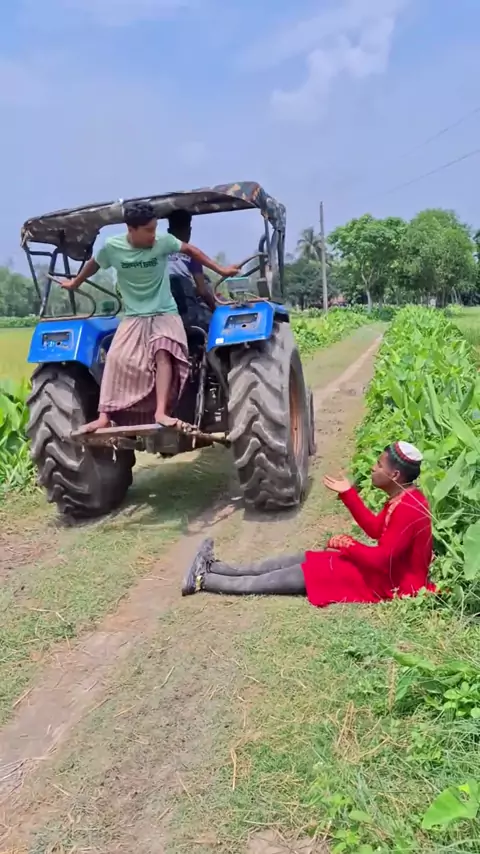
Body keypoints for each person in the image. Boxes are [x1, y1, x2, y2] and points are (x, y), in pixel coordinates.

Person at [59, 201, 239, 432]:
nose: (154, 235)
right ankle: (104, 416)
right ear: (131, 229)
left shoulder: (163, 241)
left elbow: (191, 250)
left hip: (165, 312)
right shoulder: (112, 247)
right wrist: (75, 282)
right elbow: (95, 264)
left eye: (155, 229)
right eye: (148, 231)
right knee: (114, 356)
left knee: (164, 349)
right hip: (135, 316)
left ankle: (161, 413)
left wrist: (221, 270)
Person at [182, 442, 435, 605]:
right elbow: (376, 530)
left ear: (394, 475)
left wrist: (348, 545)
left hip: (388, 583)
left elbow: (382, 560)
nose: (373, 467)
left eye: (379, 465)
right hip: (382, 574)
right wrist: (349, 494)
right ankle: (215, 567)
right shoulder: (404, 498)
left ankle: (203, 579)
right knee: (296, 560)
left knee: (283, 577)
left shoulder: (409, 508)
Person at [167, 210, 215, 332]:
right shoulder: (192, 254)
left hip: (162, 314)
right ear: (189, 231)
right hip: (187, 316)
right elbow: (202, 291)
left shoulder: (158, 252)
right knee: (213, 323)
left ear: (168, 232)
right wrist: (215, 308)